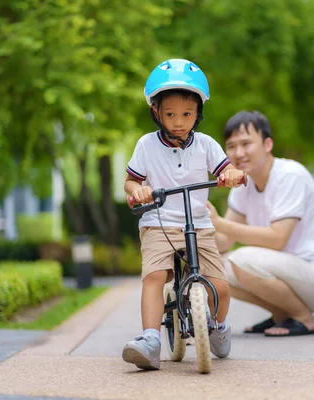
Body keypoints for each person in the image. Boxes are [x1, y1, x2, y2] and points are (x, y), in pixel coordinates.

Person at [122, 59, 246, 370]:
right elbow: (131, 180)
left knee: (221, 286)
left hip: (199, 225)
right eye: (171, 114)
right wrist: (137, 189)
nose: (179, 122)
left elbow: (225, 168)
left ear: (198, 113)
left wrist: (232, 174)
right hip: (159, 222)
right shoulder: (147, 145)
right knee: (154, 276)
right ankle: (150, 339)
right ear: (156, 113)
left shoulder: (205, 145)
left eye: (187, 114)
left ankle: (217, 326)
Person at [206, 110, 314, 337]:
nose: (239, 153)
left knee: (242, 259)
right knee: (213, 269)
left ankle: (305, 318)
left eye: (246, 143)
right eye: (231, 146)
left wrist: (219, 223)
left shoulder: (290, 175)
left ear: (268, 144)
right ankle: (282, 316)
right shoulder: (245, 184)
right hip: (289, 271)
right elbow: (224, 242)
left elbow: (276, 239)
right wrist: (202, 223)